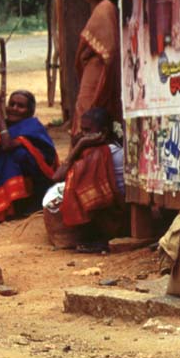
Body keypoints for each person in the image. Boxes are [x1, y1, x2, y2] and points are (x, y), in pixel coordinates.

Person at [0, 90, 59, 223]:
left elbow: (7, 145)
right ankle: (3, 204)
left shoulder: (32, 127)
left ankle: (19, 206)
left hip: (36, 185)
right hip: (13, 176)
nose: (14, 109)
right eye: (12, 104)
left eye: (20, 106)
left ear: (30, 111)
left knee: (12, 155)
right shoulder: (0, 126)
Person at [52, 106, 125, 251]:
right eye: (81, 130)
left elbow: (58, 176)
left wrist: (79, 145)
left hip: (117, 212)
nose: (82, 134)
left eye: (87, 131)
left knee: (79, 190)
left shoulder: (103, 153)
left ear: (102, 133)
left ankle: (100, 238)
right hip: (117, 206)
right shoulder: (106, 148)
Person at [73, 0, 122, 139]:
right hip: (92, 74)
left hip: (96, 75)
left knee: (88, 121)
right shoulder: (102, 9)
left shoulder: (104, 9)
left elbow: (109, 52)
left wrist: (103, 88)